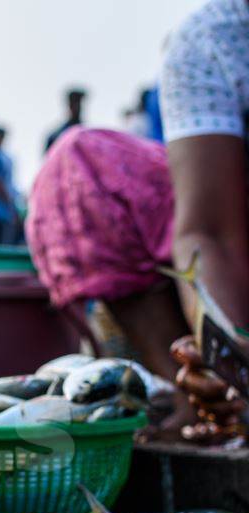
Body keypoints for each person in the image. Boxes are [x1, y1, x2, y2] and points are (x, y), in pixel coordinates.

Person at [26, 0, 249, 438]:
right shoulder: (214, 38)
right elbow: (208, 232)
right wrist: (231, 349)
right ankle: (205, 401)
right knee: (81, 164)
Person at [45, 88, 86, 152]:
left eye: (79, 104)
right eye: (75, 103)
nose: (78, 107)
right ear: (69, 105)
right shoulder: (56, 136)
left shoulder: (87, 135)